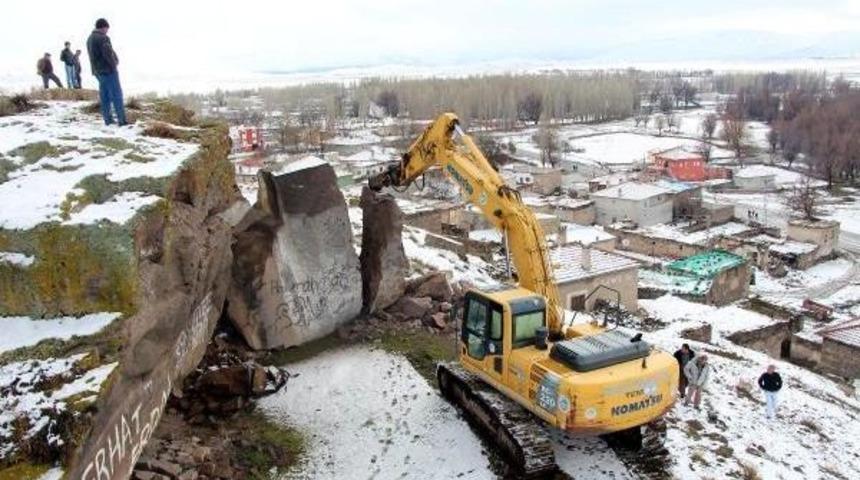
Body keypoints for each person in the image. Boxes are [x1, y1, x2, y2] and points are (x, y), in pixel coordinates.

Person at [87, 18, 127, 126]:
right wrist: (114, 65)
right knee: (116, 95)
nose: (107, 31)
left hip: (97, 71)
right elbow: (108, 54)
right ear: (104, 27)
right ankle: (122, 121)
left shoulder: (89, 39)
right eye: (107, 28)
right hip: (108, 71)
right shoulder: (103, 38)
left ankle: (108, 120)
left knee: (104, 96)